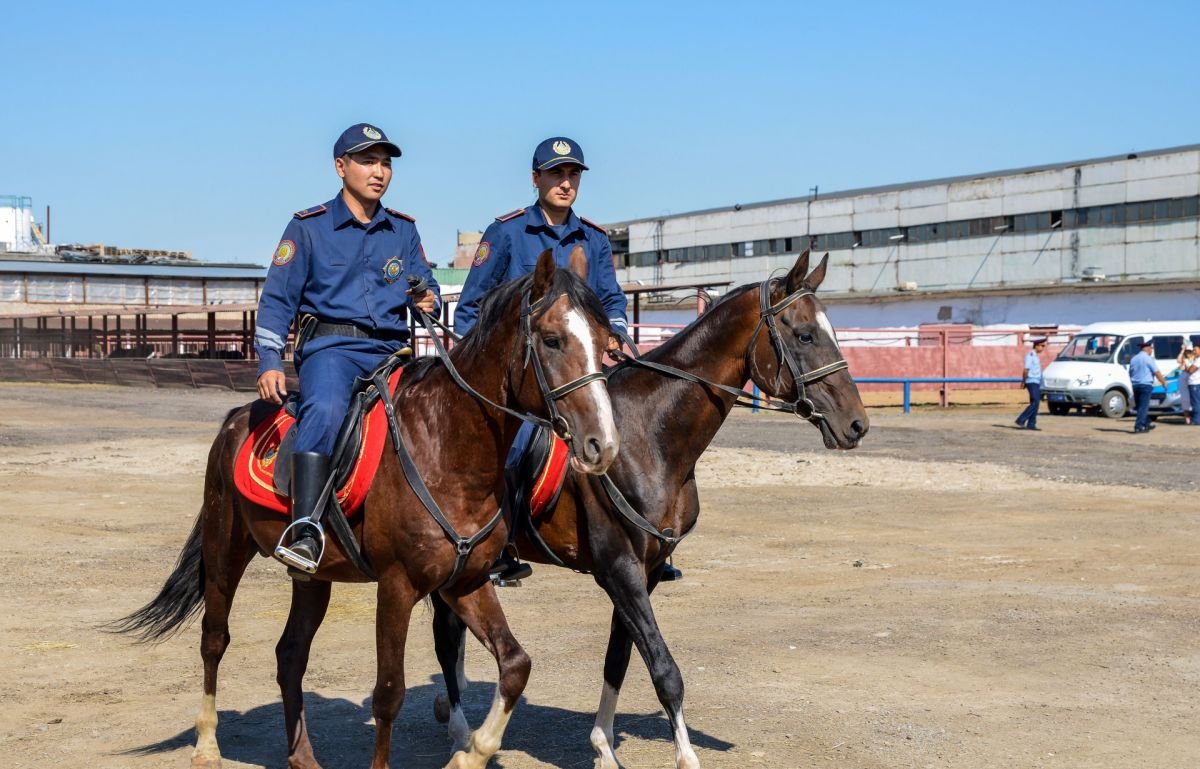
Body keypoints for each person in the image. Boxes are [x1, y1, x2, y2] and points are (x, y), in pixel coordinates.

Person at [455, 137, 683, 582]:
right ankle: (501, 541)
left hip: (582, 368)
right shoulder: (506, 233)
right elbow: (471, 309)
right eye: (556, 174)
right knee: (517, 444)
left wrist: (615, 332)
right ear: (535, 178)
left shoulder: (594, 239)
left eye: (573, 174)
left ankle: (649, 540)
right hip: (522, 378)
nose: (565, 183)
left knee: (637, 432)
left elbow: (611, 301)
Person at [255, 123, 441, 574]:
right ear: (341, 167)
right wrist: (268, 361)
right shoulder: (308, 227)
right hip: (332, 351)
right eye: (367, 161)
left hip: (394, 353)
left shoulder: (403, 230)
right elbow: (278, 299)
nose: (379, 172)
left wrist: (427, 296)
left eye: (386, 163)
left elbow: (428, 286)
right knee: (325, 407)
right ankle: (305, 527)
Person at [1128, 338, 1167, 433]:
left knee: (1139, 406)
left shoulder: (1134, 358)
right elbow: (1156, 372)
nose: (1151, 351)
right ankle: (1139, 427)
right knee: (1143, 407)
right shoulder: (1148, 359)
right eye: (1151, 349)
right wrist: (1163, 382)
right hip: (1145, 385)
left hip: (1136, 385)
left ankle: (1146, 423)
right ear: (1148, 348)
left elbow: (1130, 372)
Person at [1015, 338, 1047, 431]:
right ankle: (1021, 419)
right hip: (1031, 381)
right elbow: (1026, 370)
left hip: (1036, 381)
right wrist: (1024, 381)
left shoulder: (1036, 356)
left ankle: (1031, 424)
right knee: (1035, 401)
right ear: (1036, 345)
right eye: (1042, 346)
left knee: (1035, 403)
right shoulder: (1031, 355)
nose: (1043, 348)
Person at [1180, 340, 1200, 425]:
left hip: (1195, 383)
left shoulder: (1198, 360)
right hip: (1195, 383)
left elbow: (1191, 370)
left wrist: (1187, 368)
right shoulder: (1196, 359)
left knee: (1196, 402)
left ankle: (1196, 420)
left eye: (1195, 350)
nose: (1193, 352)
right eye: (1193, 350)